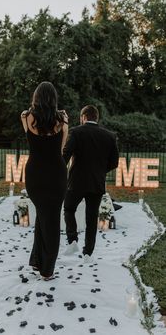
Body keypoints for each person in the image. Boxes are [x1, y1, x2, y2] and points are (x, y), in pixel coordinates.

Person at [21, 81, 68, 280]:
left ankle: (37, 261)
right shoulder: (63, 119)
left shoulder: (25, 117)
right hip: (56, 174)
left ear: (36, 97)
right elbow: (61, 147)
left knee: (42, 216)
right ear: (54, 98)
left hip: (35, 175)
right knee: (52, 221)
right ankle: (47, 271)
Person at [63, 105, 119, 262]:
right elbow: (114, 163)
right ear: (97, 118)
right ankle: (88, 253)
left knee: (68, 209)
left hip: (76, 181)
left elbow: (65, 155)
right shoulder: (109, 136)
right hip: (96, 183)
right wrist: (100, 171)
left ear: (83, 117)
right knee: (91, 218)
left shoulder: (76, 132)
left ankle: (72, 240)